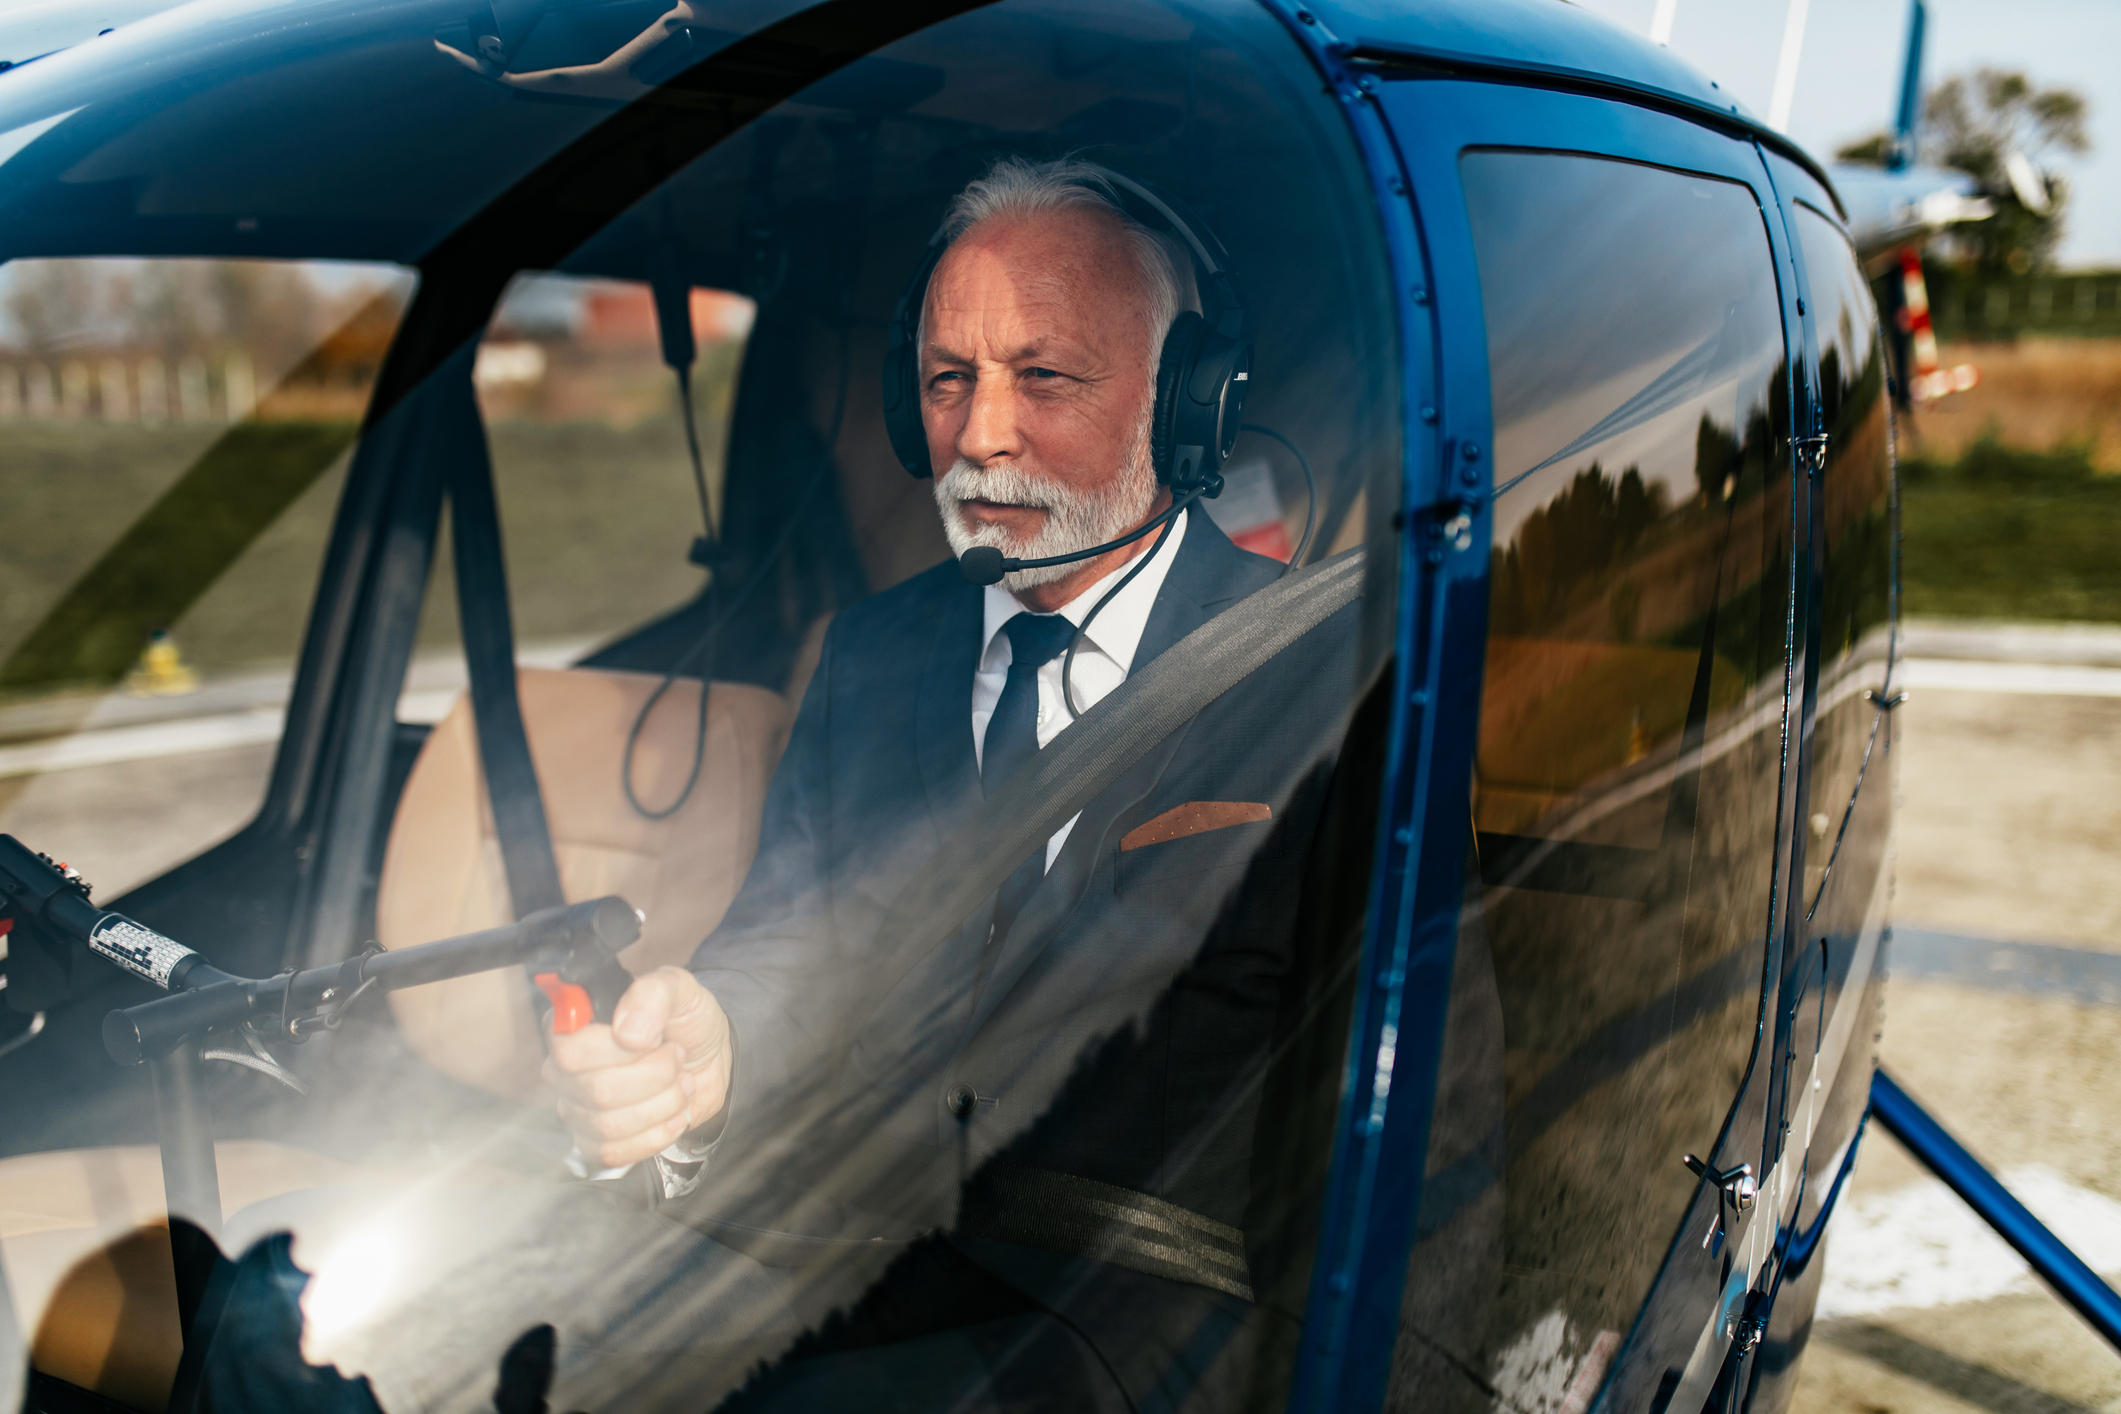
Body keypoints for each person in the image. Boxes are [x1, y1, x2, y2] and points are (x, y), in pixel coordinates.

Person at [545, 156, 1361, 1407]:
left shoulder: (1334, 674)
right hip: (852, 1278)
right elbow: (791, 940)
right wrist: (712, 1045)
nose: (979, 436)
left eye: (1044, 375)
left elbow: (1427, 1116)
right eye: (946, 380)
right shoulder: (871, 655)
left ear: (1186, 402)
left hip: (1145, 1341)